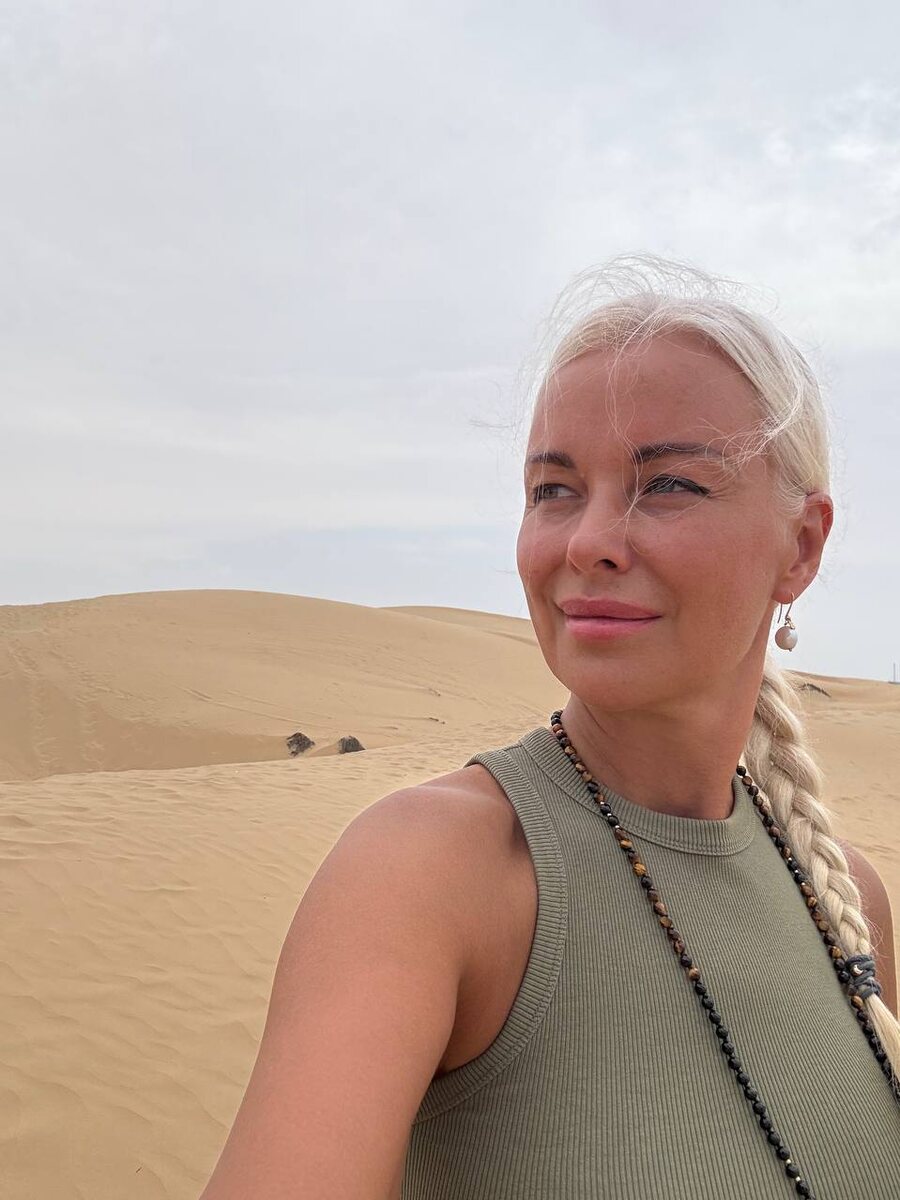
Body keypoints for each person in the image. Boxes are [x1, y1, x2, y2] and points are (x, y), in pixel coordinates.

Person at [198, 256, 900, 1200]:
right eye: (554, 490)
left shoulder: (846, 898)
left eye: (669, 484)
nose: (588, 541)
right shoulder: (431, 873)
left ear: (802, 546)